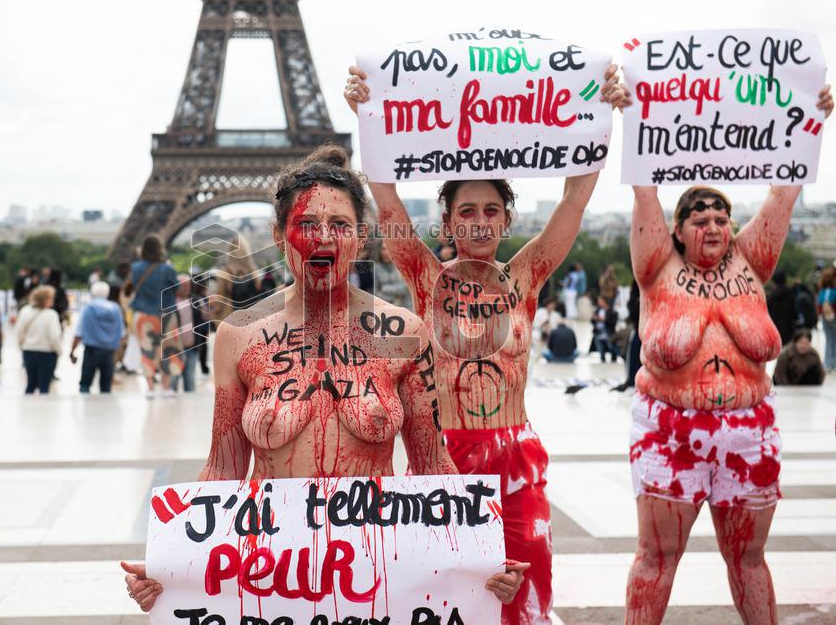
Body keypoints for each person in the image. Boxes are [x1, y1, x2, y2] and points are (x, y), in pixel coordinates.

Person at [121, 144, 527, 613]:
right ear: (278, 235)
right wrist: (171, 561)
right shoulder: (238, 336)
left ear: (362, 235)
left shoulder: (404, 335)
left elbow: (432, 464)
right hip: (272, 581)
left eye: (340, 226)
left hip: (375, 578)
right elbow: (224, 468)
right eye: (307, 225)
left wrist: (481, 559)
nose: (324, 239)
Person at [345, 64, 627, 623]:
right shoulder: (428, 279)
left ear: (507, 218)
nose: (479, 223)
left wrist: (603, 116)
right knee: (446, 602)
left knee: (524, 597)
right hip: (444, 453)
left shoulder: (525, 277)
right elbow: (387, 200)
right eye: (466, 212)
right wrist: (367, 117)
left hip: (515, 456)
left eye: (491, 211)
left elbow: (574, 201)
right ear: (446, 221)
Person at [625, 80, 832, 625]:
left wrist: (813, 120)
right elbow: (642, 188)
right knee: (656, 557)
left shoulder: (751, 262)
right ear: (676, 229)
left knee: (748, 557)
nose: (713, 226)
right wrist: (629, 115)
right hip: (669, 429)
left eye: (721, 218)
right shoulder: (656, 268)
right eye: (700, 218)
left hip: (748, 428)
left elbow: (783, 191)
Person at [128, 235, 181, 398]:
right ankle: (166, 387)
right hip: (165, 313)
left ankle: (150, 388)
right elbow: (177, 288)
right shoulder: (167, 269)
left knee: (147, 351)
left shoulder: (136, 268)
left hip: (143, 314)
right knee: (168, 350)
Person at [70, 281, 124, 394]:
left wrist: (72, 351)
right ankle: (105, 410)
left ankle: (85, 409)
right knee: (106, 386)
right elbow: (121, 334)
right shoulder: (115, 308)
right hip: (109, 352)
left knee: (85, 384)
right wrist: (119, 354)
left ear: (92, 293)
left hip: (91, 350)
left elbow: (79, 332)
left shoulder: (88, 308)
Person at [14, 285, 63, 394]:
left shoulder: (25, 311)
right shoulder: (51, 314)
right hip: (47, 354)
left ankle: (27, 408)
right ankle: (43, 409)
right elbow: (54, 337)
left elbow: (18, 332)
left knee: (30, 384)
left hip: (29, 351)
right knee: (44, 386)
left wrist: (22, 347)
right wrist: (59, 351)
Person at [167, 275, 200, 393]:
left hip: (192, 346)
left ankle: (190, 408)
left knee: (190, 379)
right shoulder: (169, 303)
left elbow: (204, 320)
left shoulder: (196, 301)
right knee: (173, 380)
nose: (186, 288)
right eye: (183, 286)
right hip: (175, 349)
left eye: (188, 285)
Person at [766, 270, 797, 346]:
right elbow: (794, 310)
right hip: (788, 327)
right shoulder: (791, 293)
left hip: (774, 327)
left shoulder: (772, 296)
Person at [589, 295, 618, 363]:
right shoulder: (597, 310)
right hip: (598, 333)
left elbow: (613, 322)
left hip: (608, 333)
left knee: (612, 348)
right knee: (601, 351)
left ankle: (613, 360)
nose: (599, 303)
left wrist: (604, 320)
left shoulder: (612, 311)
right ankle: (603, 361)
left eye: (600, 301)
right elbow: (592, 321)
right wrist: (594, 319)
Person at [817, 267, 836, 371]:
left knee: (829, 340)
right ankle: (833, 363)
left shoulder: (822, 291)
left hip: (825, 317)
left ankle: (828, 363)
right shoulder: (834, 291)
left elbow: (819, 305)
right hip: (834, 317)